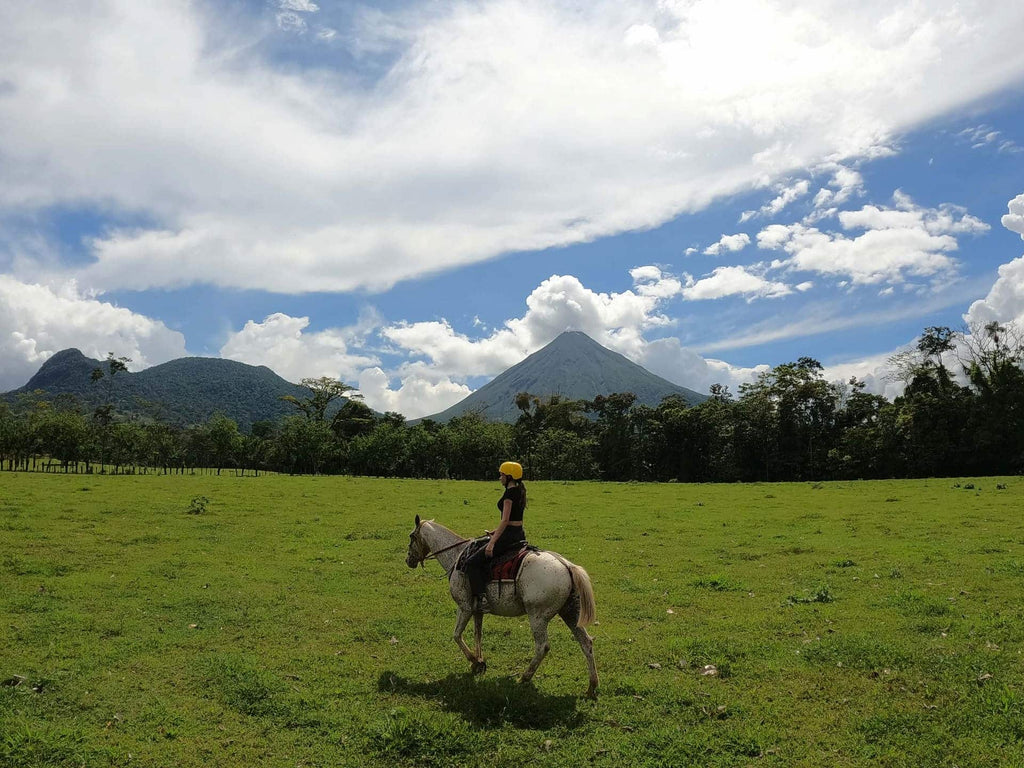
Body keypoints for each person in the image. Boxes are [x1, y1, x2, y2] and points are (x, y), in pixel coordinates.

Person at [465, 461, 528, 610]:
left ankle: (482, 599)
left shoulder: (508, 494)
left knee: (471, 563)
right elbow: (514, 519)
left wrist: (492, 542)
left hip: (508, 537)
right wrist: (495, 531)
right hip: (518, 534)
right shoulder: (520, 491)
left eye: (501, 475)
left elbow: (505, 520)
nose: (500, 478)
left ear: (509, 477)